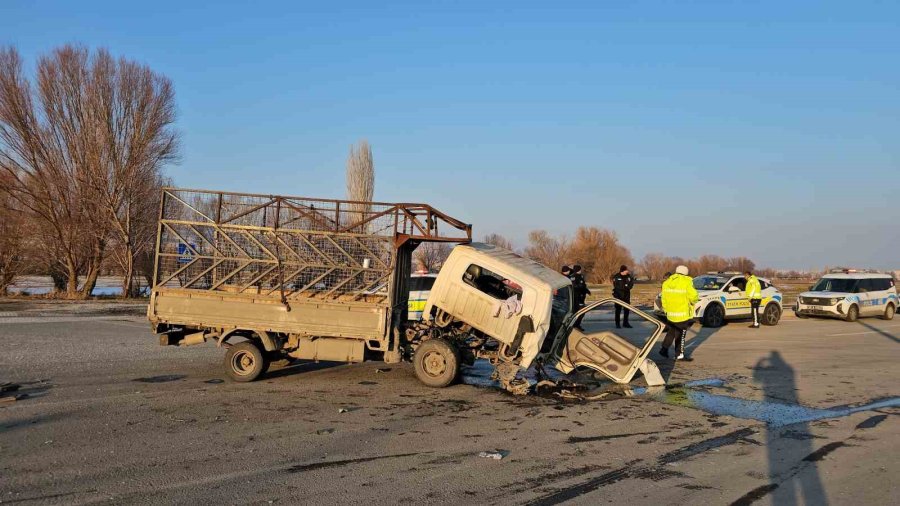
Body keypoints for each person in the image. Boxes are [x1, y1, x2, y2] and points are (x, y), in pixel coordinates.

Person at [660, 265, 699, 360]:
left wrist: (666, 310)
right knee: (681, 334)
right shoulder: (687, 281)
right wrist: (693, 301)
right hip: (682, 313)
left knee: (672, 331)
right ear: (686, 272)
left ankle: (664, 349)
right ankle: (679, 355)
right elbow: (693, 296)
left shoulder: (667, 282)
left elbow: (663, 298)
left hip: (671, 313)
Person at [570, 265, 591, 331]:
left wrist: (587, 290)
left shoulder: (581, 276)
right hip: (577, 297)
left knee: (581, 312)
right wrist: (580, 286)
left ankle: (577, 325)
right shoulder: (573, 276)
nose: (580, 271)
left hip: (581, 297)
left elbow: (583, 285)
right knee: (581, 311)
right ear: (577, 270)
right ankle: (575, 325)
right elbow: (574, 286)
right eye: (579, 269)